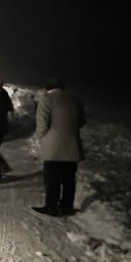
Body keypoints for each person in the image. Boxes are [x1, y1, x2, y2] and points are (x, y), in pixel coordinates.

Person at [31, 78, 86, 216]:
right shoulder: (75, 99)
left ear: (47, 88)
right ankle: (66, 206)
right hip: (72, 144)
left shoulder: (46, 99)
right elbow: (82, 120)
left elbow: (42, 122)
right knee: (68, 179)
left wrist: (39, 137)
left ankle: (51, 206)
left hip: (53, 145)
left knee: (52, 179)